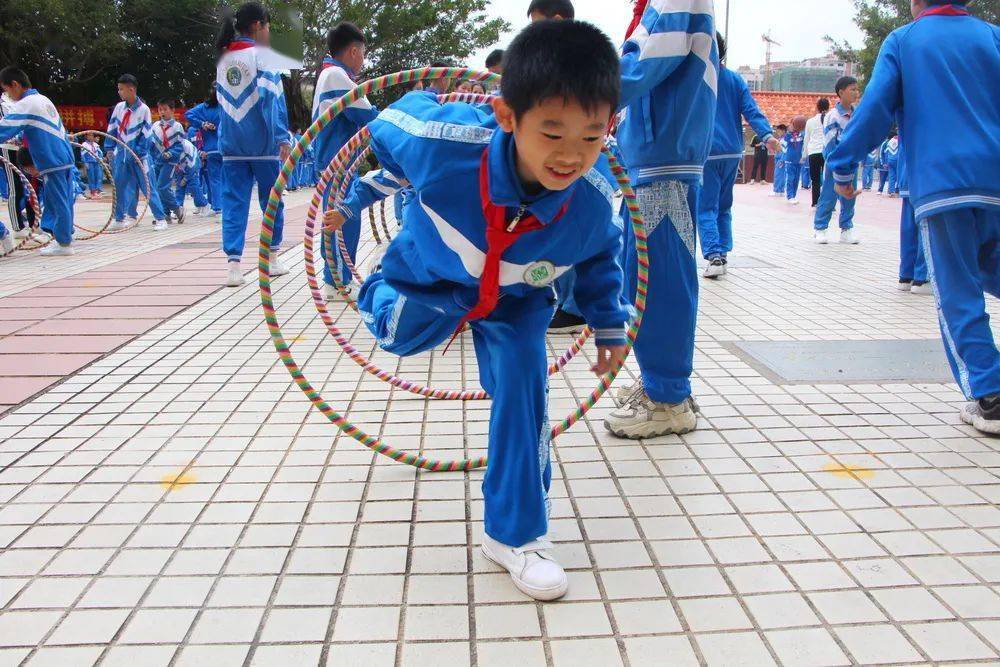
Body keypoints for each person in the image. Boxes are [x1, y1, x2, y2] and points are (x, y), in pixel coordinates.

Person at [324, 19, 626, 601]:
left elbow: (600, 259)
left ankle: (517, 535)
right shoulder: (442, 145)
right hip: (429, 282)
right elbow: (389, 125)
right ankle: (375, 296)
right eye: (553, 133)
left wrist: (610, 326)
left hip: (517, 302)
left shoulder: (591, 200)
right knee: (397, 334)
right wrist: (430, 102)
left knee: (524, 381)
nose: (571, 156)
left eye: (590, 137)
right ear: (507, 116)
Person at [827, 0, 999, 433]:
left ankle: (991, 394)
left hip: (943, 185)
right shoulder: (992, 36)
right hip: (996, 181)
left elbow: (875, 109)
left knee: (957, 289)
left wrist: (844, 165)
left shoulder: (905, 40)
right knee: (990, 267)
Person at [603, 0, 718, 439]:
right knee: (643, 277)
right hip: (654, 157)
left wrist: (575, 95)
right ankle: (663, 385)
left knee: (660, 280)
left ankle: (668, 397)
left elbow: (645, 62)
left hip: (664, 159)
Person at [215, 1, 291, 287]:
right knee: (271, 201)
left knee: (234, 202)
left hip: (231, 146)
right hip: (262, 144)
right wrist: (282, 136)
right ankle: (271, 258)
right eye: (268, 26)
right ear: (258, 26)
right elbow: (273, 102)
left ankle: (234, 265)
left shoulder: (224, 58)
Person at [698, 32, 776, 278]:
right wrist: (767, 135)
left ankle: (714, 255)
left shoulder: (697, 78)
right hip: (733, 152)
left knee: (706, 207)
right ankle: (724, 251)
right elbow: (751, 111)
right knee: (724, 205)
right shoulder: (735, 80)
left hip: (707, 152)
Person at [312, 21, 379, 301]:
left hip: (339, 162)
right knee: (342, 219)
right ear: (353, 51)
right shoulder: (336, 76)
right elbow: (370, 116)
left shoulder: (330, 74)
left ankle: (337, 279)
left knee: (344, 216)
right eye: (363, 53)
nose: (363, 61)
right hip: (336, 162)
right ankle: (337, 281)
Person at [0, 67, 76, 256]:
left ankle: (64, 243)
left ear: (15, 85)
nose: (8, 95)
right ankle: (64, 237)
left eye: (7, 90)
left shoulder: (26, 103)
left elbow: (4, 129)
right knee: (62, 200)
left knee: (59, 202)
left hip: (52, 160)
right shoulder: (43, 99)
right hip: (63, 157)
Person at [106, 74, 166, 231]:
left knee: (148, 188)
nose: (119, 92)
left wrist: (138, 152)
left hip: (140, 157)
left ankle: (160, 218)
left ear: (131, 89)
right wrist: (109, 148)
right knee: (118, 186)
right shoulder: (119, 108)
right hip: (121, 154)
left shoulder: (143, 110)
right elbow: (112, 129)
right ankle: (119, 218)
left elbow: (146, 134)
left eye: (121, 89)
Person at [812, 76, 861, 244]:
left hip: (852, 162)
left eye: (857, 89)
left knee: (850, 195)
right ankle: (820, 228)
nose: (856, 93)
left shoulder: (858, 114)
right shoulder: (833, 116)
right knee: (829, 193)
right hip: (836, 162)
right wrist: (833, 162)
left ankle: (846, 228)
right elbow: (830, 142)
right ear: (841, 92)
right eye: (852, 89)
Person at [895, 133, 930, 294]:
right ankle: (922, 277)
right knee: (927, 228)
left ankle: (906, 275)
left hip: (906, 172)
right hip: (926, 176)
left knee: (908, 226)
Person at [185, 87, 223, 217]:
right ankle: (227, 206)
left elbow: (188, 114)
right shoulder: (226, 105)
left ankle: (217, 207)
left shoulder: (204, 107)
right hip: (227, 147)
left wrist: (202, 123)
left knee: (214, 179)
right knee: (227, 178)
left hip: (211, 149)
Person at [151, 98, 186, 228]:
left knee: (162, 186)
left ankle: (177, 209)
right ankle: (164, 213)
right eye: (160, 109)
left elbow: (179, 145)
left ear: (172, 110)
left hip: (170, 162)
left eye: (165, 109)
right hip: (157, 160)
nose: (162, 112)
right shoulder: (155, 126)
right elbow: (152, 144)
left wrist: (170, 153)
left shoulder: (177, 127)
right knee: (157, 187)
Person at [803, 98, 830, 207]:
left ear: (817, 108)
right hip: (826, 151)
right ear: (828, 108)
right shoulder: (830, 119)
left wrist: (804, 154)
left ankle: (815, 202)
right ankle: (828, 202)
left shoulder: (810, 121)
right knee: (828, 179)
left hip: (813, 152)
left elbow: (807, 138)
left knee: (815, 179)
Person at [174, 136, 209, 215]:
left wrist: (186, 178)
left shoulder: (187, 146)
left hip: (192, 165)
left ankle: (204, 204)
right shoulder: (171, 144)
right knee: (179, 187)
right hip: (180, 166)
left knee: (193, 186)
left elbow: (192, 165)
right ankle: (178, 208)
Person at [782, 119, 805, 205]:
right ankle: (790, 196)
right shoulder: (788, 135)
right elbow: (786, 139)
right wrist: (789, 130)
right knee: (790, 178)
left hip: (799, 160)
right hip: (790, 160)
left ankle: (794, 196)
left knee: (796, 179)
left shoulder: (802, 135)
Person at [81, 133, 104, 198]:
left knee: (98, 176)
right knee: (92, 177)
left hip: (97, 162)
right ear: (86, 136)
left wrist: (101, 160)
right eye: (89, 135)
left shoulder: (95, 144)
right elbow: (82, 154)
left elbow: (100, 153)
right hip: (89, 162)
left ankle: (97, 190)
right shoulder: (84, 144)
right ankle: (93, 192)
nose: (90, 137)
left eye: (92, 135)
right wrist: (85, 162)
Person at [769, 124, 787, 197]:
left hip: (781, 158)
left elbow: (785, 150)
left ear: (783, 131)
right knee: (780, 174)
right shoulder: (781, 139)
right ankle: (781, 190)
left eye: (779, 131)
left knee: (778, 174)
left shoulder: (785, 139)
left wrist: (782, 160)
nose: (777, 133)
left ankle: (777, 190)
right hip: (778, 157)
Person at [885, 132, 900, 196]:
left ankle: (891, 191)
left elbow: (886, 152)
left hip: (890, 160)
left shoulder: (889, 142)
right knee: (898, 176)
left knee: (891, 176)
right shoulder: (899, 142)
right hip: (897, 161)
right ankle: (897, 190)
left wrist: (886, 162)